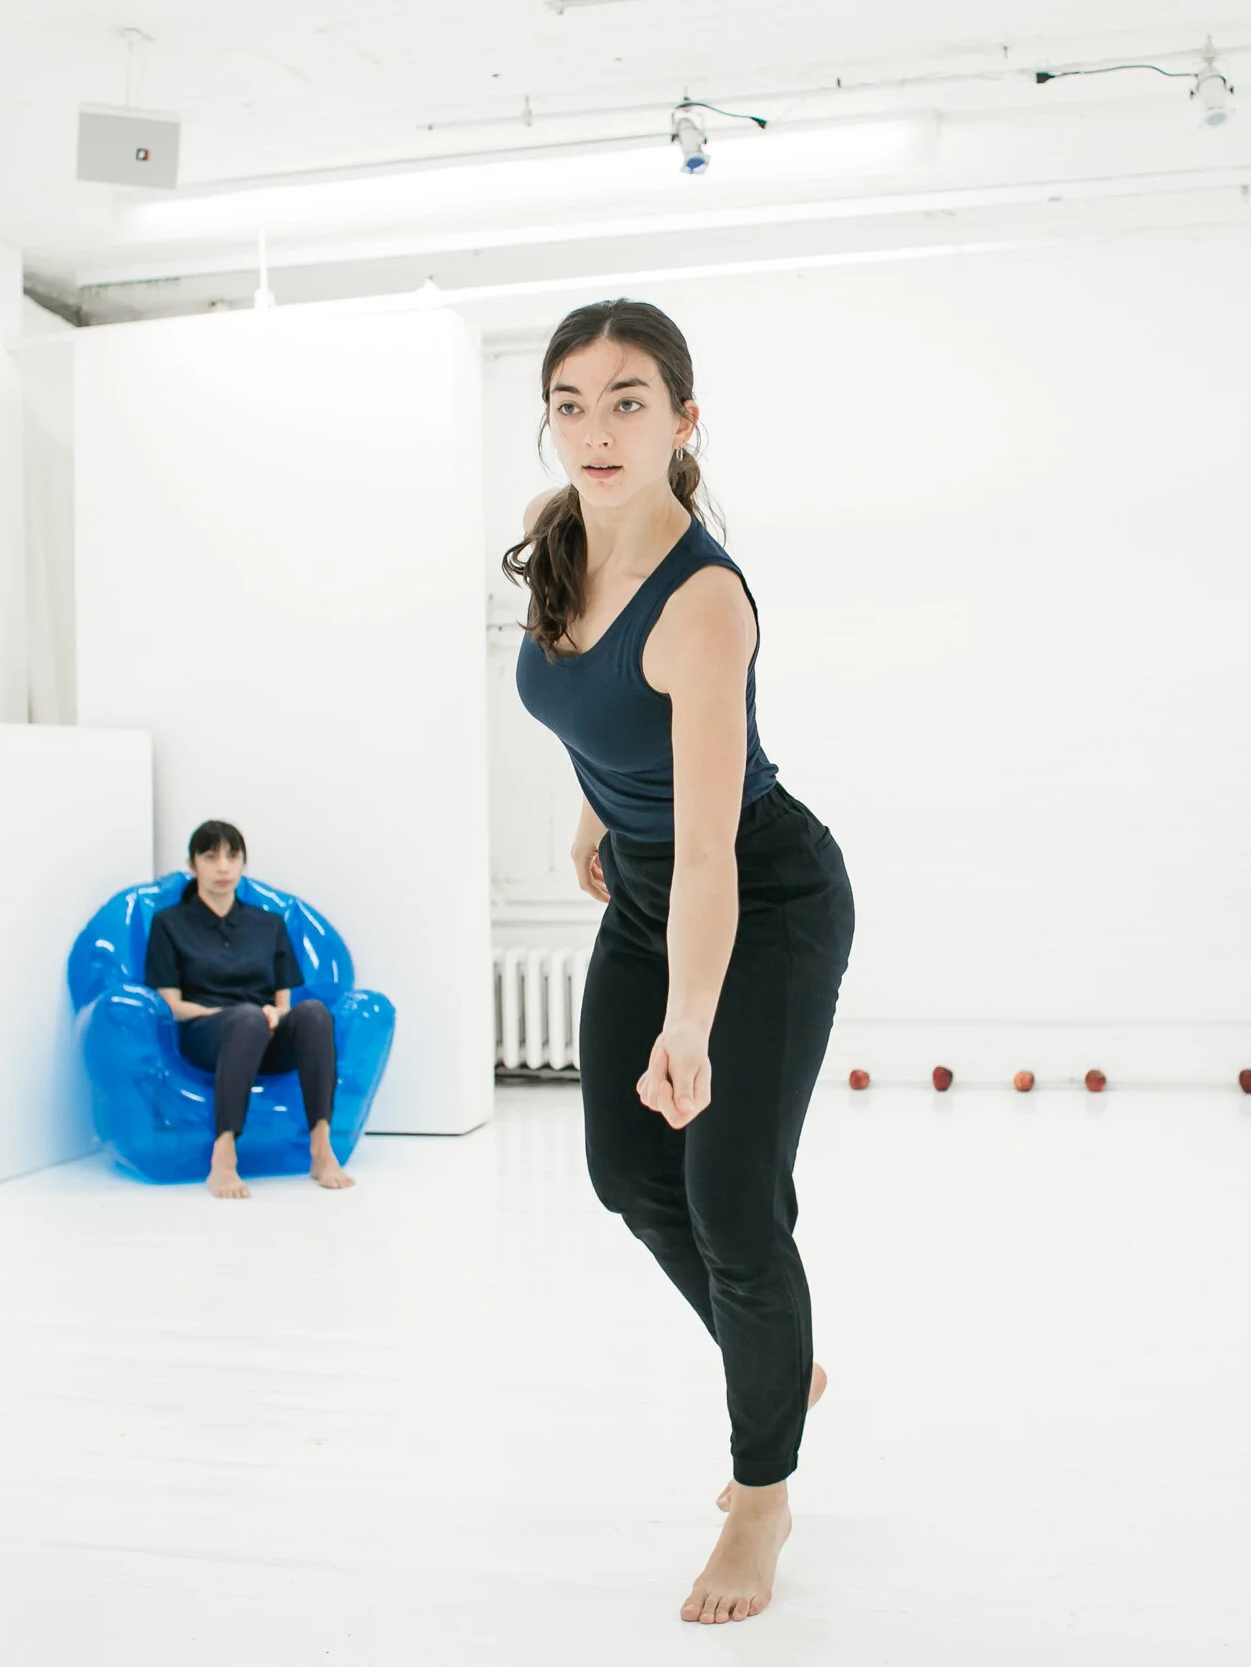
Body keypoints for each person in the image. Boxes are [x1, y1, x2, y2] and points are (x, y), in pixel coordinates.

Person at [506, 298, 857, 1627]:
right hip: (651, 887)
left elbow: (713, 847)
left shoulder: (703, 599)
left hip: (760, 898)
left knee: (731, 1201)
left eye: (628, 401)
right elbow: (593, 707)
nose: (595, 430)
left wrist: (691, 1022)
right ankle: (780, 1360)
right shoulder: (557, 534)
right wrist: (595, 807)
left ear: (683, 419)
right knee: (623, 1169)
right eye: (571, 402)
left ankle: (762, 1492)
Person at [144, 819, 354, 1197]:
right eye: (210, 857)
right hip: (206, 1036)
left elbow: (283, 1004)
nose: (223, 867)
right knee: (245, 1019)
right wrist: (233, 1016)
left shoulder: (269, 924)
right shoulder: (169, 924)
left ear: (243, 862)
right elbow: (171, 1006)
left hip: (264, 1032)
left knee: (314, 1014)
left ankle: (322, 1149)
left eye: (232, 856)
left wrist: (274, 1016)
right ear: (192, 865)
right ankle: (223, 1158)